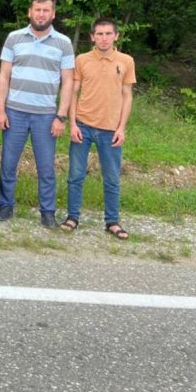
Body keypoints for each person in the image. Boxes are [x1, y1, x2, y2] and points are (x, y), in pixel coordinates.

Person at [0, 0, 74, 228]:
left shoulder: (64, 43)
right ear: (30, 12)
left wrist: (61, 116)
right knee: (9, 162)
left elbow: (68, 81)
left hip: (46, 115)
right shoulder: (14, 38)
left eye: (46, 10)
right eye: (37, 10)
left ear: (53, 13)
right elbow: (4, 76)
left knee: (46, 166)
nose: (41, 14)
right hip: (15, 112)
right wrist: (0, 110)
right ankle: (5, 206)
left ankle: (47, 211)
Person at [61, 18, 136, 239]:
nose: (104, 38)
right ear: (92, 36)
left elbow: (127, 96)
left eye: (108, 34)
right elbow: (73, 92)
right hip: (83, 126)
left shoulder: (126, 61)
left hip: (110, 129)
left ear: (116, 36)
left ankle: (112, 221)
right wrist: (72, 123)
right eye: (99, 34)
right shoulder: (82, 60)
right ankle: (72, 217)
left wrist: (122, 128)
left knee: (111, 177)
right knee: (75, 175)